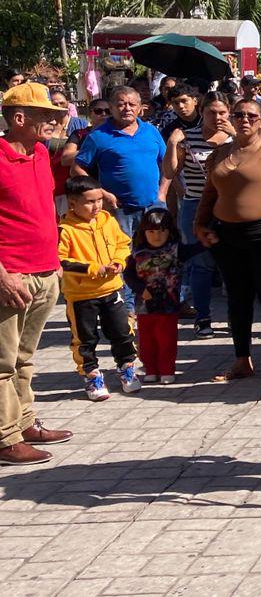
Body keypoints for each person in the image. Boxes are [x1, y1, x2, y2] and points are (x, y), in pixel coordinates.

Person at [196, 98, 261, 385]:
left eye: (252, 116)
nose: (245, 120)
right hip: (228, 237)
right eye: (239, 114)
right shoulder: (220, 153)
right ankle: (242, 360)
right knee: (237, 299)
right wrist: (199, 223)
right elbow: (210, 192)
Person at [0, 83, 73, 465]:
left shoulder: (40, 153)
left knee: (25, 357)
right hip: (11, 275)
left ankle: (24, 421)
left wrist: (56, 263)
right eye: (46, 115)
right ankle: (4, 437)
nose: (53, 120)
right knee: (2, 361)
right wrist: (2, 276)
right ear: (18, 118)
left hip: (45, 270)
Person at [57, 176, 138, 400]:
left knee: (122, 332)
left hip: (111, 290)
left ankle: (127, 368)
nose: (96, 206)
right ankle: (91, 375)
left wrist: (119, 261)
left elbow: (123, 243)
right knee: (85, 338)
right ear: (73, 203)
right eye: (90, 202)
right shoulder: (65, 229)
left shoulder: (107, 220)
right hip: (81, 295)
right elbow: (61, 260)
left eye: (99, 200)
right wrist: (93, 268)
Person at [164, 94, 231, 337]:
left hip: (228, 206)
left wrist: (236, 136)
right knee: (201, 264)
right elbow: (170, 171)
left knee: (230, 264)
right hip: (195, 205)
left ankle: (235, 314)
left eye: (222, 112)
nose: (217, 117)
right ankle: (203, 317)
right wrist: (172, 144)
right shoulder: (188, 138)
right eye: (212, 112)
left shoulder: (236, 138)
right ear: (202, 111)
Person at [75, 86, 167, 239]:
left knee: (155, 255)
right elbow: (77, 169)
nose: (127, 108)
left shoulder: (151, 131)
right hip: (119, 209)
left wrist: (162, 193)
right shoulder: (98, 136)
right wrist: (102, 194)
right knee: (122, 256)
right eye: (121, 104)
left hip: (154, 206)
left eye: (132, 104)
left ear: (139, 108)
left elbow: (167, 164)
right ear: (111, 108)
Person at [126, 208, 182, 383]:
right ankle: (150, 368)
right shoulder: (137, 253)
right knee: (146, 340)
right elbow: (129, 275)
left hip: (168, 305)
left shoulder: (176, 250)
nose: (156, 236)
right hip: (144, 306)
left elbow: (198, 248)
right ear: (143, 232)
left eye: (161, 231)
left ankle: (167, 369)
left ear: (169, 232)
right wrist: (140, 288)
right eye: (151, 231)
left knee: (166, 339)